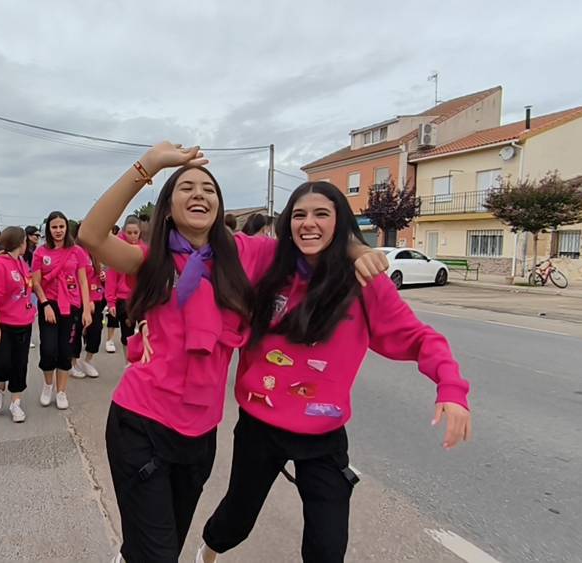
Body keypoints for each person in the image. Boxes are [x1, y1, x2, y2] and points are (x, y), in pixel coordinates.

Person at [78, 143, 387, 563]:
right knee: (159, 556)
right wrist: (147, 166)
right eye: (186, 187)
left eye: (208, 188)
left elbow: (310, 239)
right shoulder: (150, 260)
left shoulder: (246, 254)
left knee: (161, 545)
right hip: (141, 423)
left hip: (200, 434)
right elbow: (91, 235)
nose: (199, 194)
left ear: (219, 204)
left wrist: (362, 251)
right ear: (168, 207)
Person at [196, 182, 472, 563]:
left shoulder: (362, 283)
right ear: (287, 224)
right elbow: (215, 241)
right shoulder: (268, 262)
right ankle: (207, 552)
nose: (308, 223)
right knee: (235, 520)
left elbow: (420, 338)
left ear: (339, 222)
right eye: (299, 215)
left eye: (321, 214)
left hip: (322, 437)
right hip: (259, 427)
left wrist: (451, 389)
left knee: (327, 547)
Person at [32, 211, 92, 410]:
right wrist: (45, 304)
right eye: (54, 227)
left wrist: (86, 310)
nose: (58, 231)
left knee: (66, 350)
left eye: (61, 226)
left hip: (72, 306)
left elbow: (83, 281)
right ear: (48, 230)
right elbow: (36, 282)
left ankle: (61, 391)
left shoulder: (77, 252)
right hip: (48, 305)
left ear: (67, 228)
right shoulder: (41, 253)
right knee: (49, 349)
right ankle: (48, 385)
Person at [0, 227, 36, 423]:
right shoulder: (0, 264)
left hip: (23, 321)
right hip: (2, 322)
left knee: (20, 363)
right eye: (25, 241)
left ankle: (16, 402)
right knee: (3, 362)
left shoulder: (21, 262)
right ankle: (0, 386)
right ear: (20, 242)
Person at [104, 215, 141, 356]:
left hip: (141, 298)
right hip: (124, 299)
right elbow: (112, 279)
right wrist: (111, 302)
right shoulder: (118, 252)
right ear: (124, 232)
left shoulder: (144, 249)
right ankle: (128, 365)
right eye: (129, 233)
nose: (132, 236)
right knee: (128, 336)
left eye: (135, 233)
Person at [73, 243, 105, 378]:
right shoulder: (77, 252)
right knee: (76, 331)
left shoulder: (97, 251)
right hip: (80, 299)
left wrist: (103, 278)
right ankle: (72, 363)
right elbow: (77, 279)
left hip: (98, 298)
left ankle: (88, 360)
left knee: (96, 329)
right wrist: (88, 300)